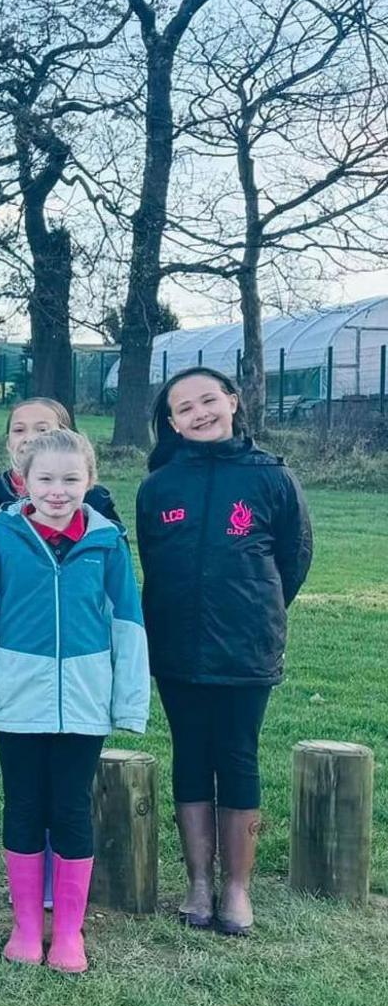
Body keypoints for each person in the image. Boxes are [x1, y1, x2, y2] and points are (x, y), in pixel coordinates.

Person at [0, 429, 149, 973]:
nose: (58, 491)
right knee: (22, 806)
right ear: (23, 481)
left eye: (71, 479)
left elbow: (129, 626)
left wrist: (128, 704)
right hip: (17, 700)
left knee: (70, 808)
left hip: (86, 704)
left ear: (90, 480)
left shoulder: (108, 544)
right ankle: (24, 927)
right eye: (46, 479)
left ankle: (67, 932)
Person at [136, 367, 312, 937]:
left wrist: (253, 607)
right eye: (184, 408)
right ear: (171, 422)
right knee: (190, 753)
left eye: (208, 400)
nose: (199, 413)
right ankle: (198, 884)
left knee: (237, 756)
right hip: (176, 643)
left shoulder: (272, 477)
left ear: (232, 402)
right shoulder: (158, 486)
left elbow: (294, 558)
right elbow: (154, 563)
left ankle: (236, 887)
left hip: (246, 646)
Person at [0, 398, 119, 522]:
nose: (29, 438)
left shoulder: (93, 498)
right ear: (8, 441)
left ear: (65, 437)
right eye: (19, 430)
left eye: (42, 430)